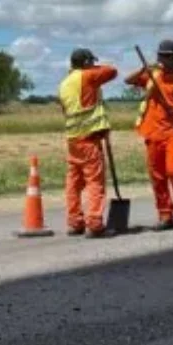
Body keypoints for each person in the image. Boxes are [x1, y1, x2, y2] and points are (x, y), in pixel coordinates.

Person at [126, 39, 173, 232]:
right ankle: (165, 215)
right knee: (157, 176)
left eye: (167, 56)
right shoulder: (152, 74)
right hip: (153, 132)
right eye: (161, 56)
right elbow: (128, 80)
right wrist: (145, 68)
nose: (164, 60)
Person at [59, 48, 118, 238]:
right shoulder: (87, 76)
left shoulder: (65, 83)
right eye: (91, 62)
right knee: (95, 182)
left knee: (73, 184)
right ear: (86, 63)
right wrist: (92, 68)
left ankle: (75, 222)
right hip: (89, 139)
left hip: (72, 139)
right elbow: (112, 71)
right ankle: (94, 224)